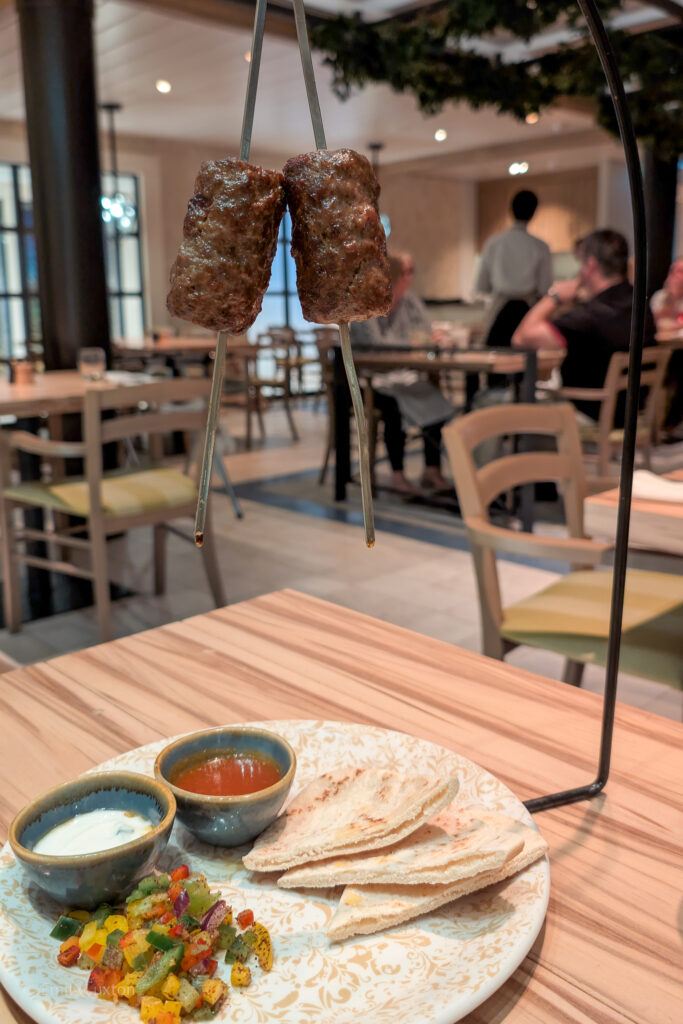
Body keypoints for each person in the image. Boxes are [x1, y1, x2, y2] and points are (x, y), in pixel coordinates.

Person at [512, 229, 655, 423]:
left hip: (588, 413)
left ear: (590, 265)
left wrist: (554, 296)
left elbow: (521, 338)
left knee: (505, 405)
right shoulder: (640, 304)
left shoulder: (589, 315)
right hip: (630, 414)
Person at [350, 252, 455, 495]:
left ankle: (432, 470)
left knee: (434, 400)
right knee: (393, 408)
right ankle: (397, 474)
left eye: (411, 271)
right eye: (406, 272)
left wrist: (431, 339)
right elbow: (376, 343)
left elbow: (426, 331)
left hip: (401, 373)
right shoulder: (369, 301)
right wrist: (413, 343)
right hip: (369, 378)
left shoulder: (410, 301)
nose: (409, 277)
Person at [475, 190, 553, 324]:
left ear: (511, 210)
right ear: (533, 213)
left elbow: (482, 285)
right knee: (524, 345)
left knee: (496, 345)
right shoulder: (540, 247)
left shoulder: (494, 243)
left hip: (498, 313)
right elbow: (544, 288)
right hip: (527, 313)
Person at [651, 257, 683, 327]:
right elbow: (655, 323)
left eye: (680, 271)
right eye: (672, 271)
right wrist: (671, 297)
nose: (675, 275)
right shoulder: (661, 295)